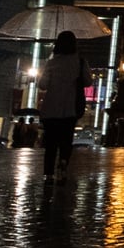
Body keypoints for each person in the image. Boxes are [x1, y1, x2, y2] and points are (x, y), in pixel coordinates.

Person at [38, 31, 92, 180]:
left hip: (51, 108)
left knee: (51, 143)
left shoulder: (52, 62)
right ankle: (63, 163)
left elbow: (42, 85)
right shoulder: (80, 61)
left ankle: (48, 174)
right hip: (70, 108)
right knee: (66, 140)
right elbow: (88, 82)